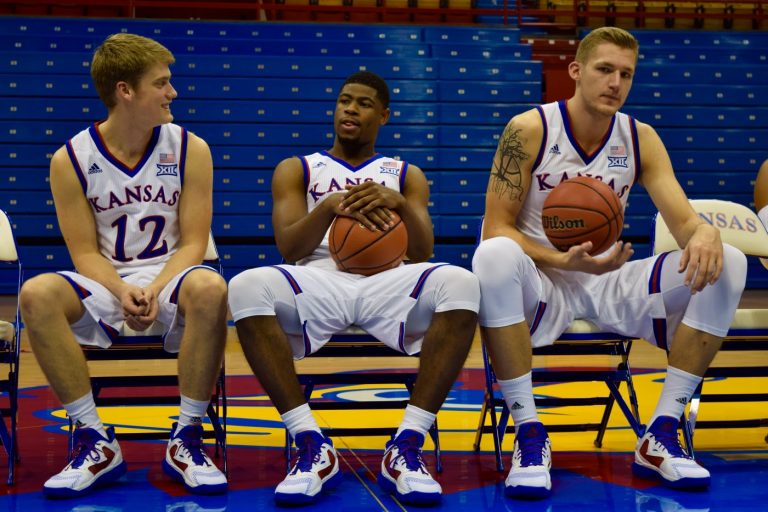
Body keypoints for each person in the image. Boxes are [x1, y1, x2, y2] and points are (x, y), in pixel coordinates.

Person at [472, 27, 747, 500]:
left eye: (626, 74)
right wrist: (563, 259)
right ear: (576, 71)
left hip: (609, 278)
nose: (615, 83)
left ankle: (661, 432)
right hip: (542, 280)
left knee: (731, 262)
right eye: (604, 69)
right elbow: (497, 227)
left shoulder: (640, 138)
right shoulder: (529, 129)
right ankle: (529, 434)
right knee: (492, 255)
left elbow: (683, 221)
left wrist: (703, 232)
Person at [227, 71, 480, 507]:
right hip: (319, 277)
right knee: (245, 286)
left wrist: (400, 204)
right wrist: (328, 206)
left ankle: (407, 444)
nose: (350, 109)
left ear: (383, 115)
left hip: (388, 280)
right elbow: (290, 248)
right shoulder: (298, 168)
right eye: (345, 100)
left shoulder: (405, 174)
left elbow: (422, 252)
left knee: (462, 282)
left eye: (363, 103)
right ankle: (311, 443)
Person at [19, 34, 228, 498]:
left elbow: (194, 243)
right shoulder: (70, 159)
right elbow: (84, 254)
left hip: (173, 275)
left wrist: (154, 287)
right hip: (107, 280)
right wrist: (121, 290)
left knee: (211, 288)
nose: (172, 92)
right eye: (162, 83)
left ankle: (187, 436)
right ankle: (95, 439)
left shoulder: (191, 148)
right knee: (36, 294)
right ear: (125, 91)